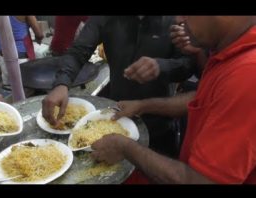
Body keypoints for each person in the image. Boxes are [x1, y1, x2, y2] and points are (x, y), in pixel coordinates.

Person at [91, 16, 256, 184]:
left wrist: (126, 148)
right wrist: (142, 106)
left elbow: (201, 180)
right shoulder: (228, 51)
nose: (178, 19)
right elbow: (204, 99)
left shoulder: (247, 74)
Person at [42, 16, 197, 158]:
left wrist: (161, 66)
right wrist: (61, 83)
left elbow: (189, 64)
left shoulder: (174, 20)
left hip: (159, 122)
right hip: (115, 118)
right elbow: (78, 52)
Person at [0, 16, 44, 89]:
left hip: (4, 59)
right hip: (23, 59)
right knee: (29, 92)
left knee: (10, 91)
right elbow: (39, 34)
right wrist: (38, 39)